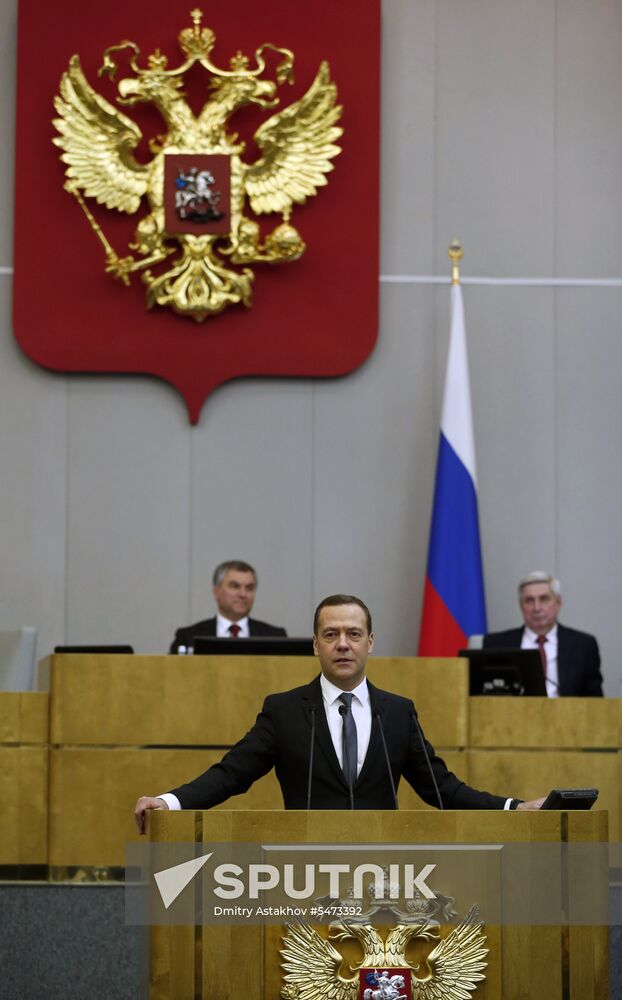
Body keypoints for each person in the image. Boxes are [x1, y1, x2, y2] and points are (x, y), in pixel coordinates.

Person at [137, 594, 543, 831]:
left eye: (353, 634)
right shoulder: (284, 711)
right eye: (331, 635)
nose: (343, 644)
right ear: (315, 645)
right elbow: (231, 775)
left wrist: (514, 808)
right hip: (306, 873)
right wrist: (169, 803)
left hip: (385, 874)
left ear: (370, 642)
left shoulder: (397, 713)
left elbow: (442, 790)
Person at [483, 571, 603, 697]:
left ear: (559, 603)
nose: (537, 608)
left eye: (544, 599)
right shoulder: (495, 644)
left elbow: (595, 700)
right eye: (529, 600)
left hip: (566, 715)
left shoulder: (583, 645)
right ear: (520, 606)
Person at [169, 559, 287, 652]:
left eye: (249, 588)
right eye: (235, 586)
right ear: (216, 592)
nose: (243, 594)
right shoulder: (188, 637)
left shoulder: (276, 637)